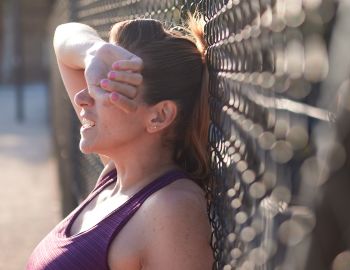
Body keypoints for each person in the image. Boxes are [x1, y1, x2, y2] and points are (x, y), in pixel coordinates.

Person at [27, 14, 214, 270]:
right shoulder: (115, 175)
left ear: (159, 116)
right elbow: (63, 37)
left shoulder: (171, 209)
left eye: (104, 86)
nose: (83, 96)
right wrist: (93, 52)